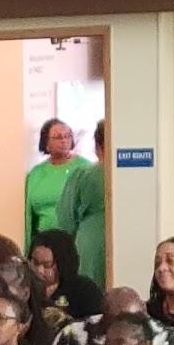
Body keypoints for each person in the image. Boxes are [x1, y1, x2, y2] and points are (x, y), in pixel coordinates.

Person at [50, 119, 107, 287]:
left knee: (90, 291)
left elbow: (65, 218)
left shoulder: (83, 174)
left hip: (90, 244)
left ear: (97, 147)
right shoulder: (135, 174)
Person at [22, 118, 90, 244]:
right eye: (58, 137)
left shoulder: (84, 168)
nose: (64, 140)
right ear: (46, 142)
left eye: (67, 136)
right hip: (42, 242)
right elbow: (29, 215)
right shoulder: (37, 172)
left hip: (74, 242)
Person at [28, 230, 103, 324]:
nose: (39, 270)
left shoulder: (85, 290)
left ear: (63, 263)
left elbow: (95, 324)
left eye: (47, 265)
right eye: (35, 263)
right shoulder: (24, 287)